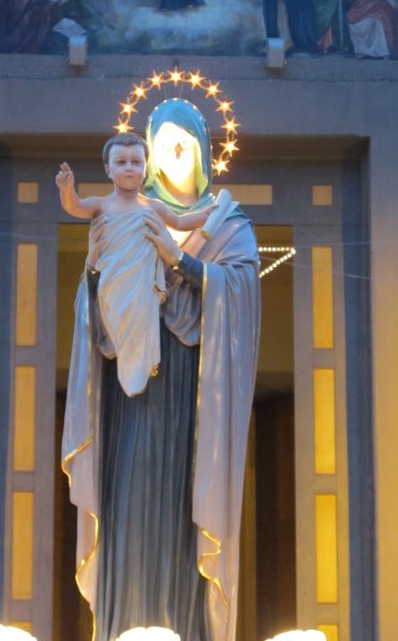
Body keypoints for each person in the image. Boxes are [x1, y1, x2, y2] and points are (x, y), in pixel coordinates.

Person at [61, 98, 261, 641]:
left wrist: (183, 264)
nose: (173, 154)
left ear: (202, 152)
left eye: (184, 144)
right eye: (163, 144)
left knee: (180, 513)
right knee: (128, 505)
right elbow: (94, 300)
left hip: (194, 398)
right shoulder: (122, 214)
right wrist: (97, 272)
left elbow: (241, 289)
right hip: (131, 393)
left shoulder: (226, 223)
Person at [55, 132, 216, 396]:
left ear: (145, 169)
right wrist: (66, 189)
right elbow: (75, 207)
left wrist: (205, 215)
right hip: (113, 281)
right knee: (119, 323)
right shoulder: (101, 205)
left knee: (142, 324)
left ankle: (138, 371)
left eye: (136, 162)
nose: (129, 167)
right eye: (121, 162)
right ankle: (127, 367)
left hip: (142, 283)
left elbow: (180, 222)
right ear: (108, 169)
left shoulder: (153, 207)